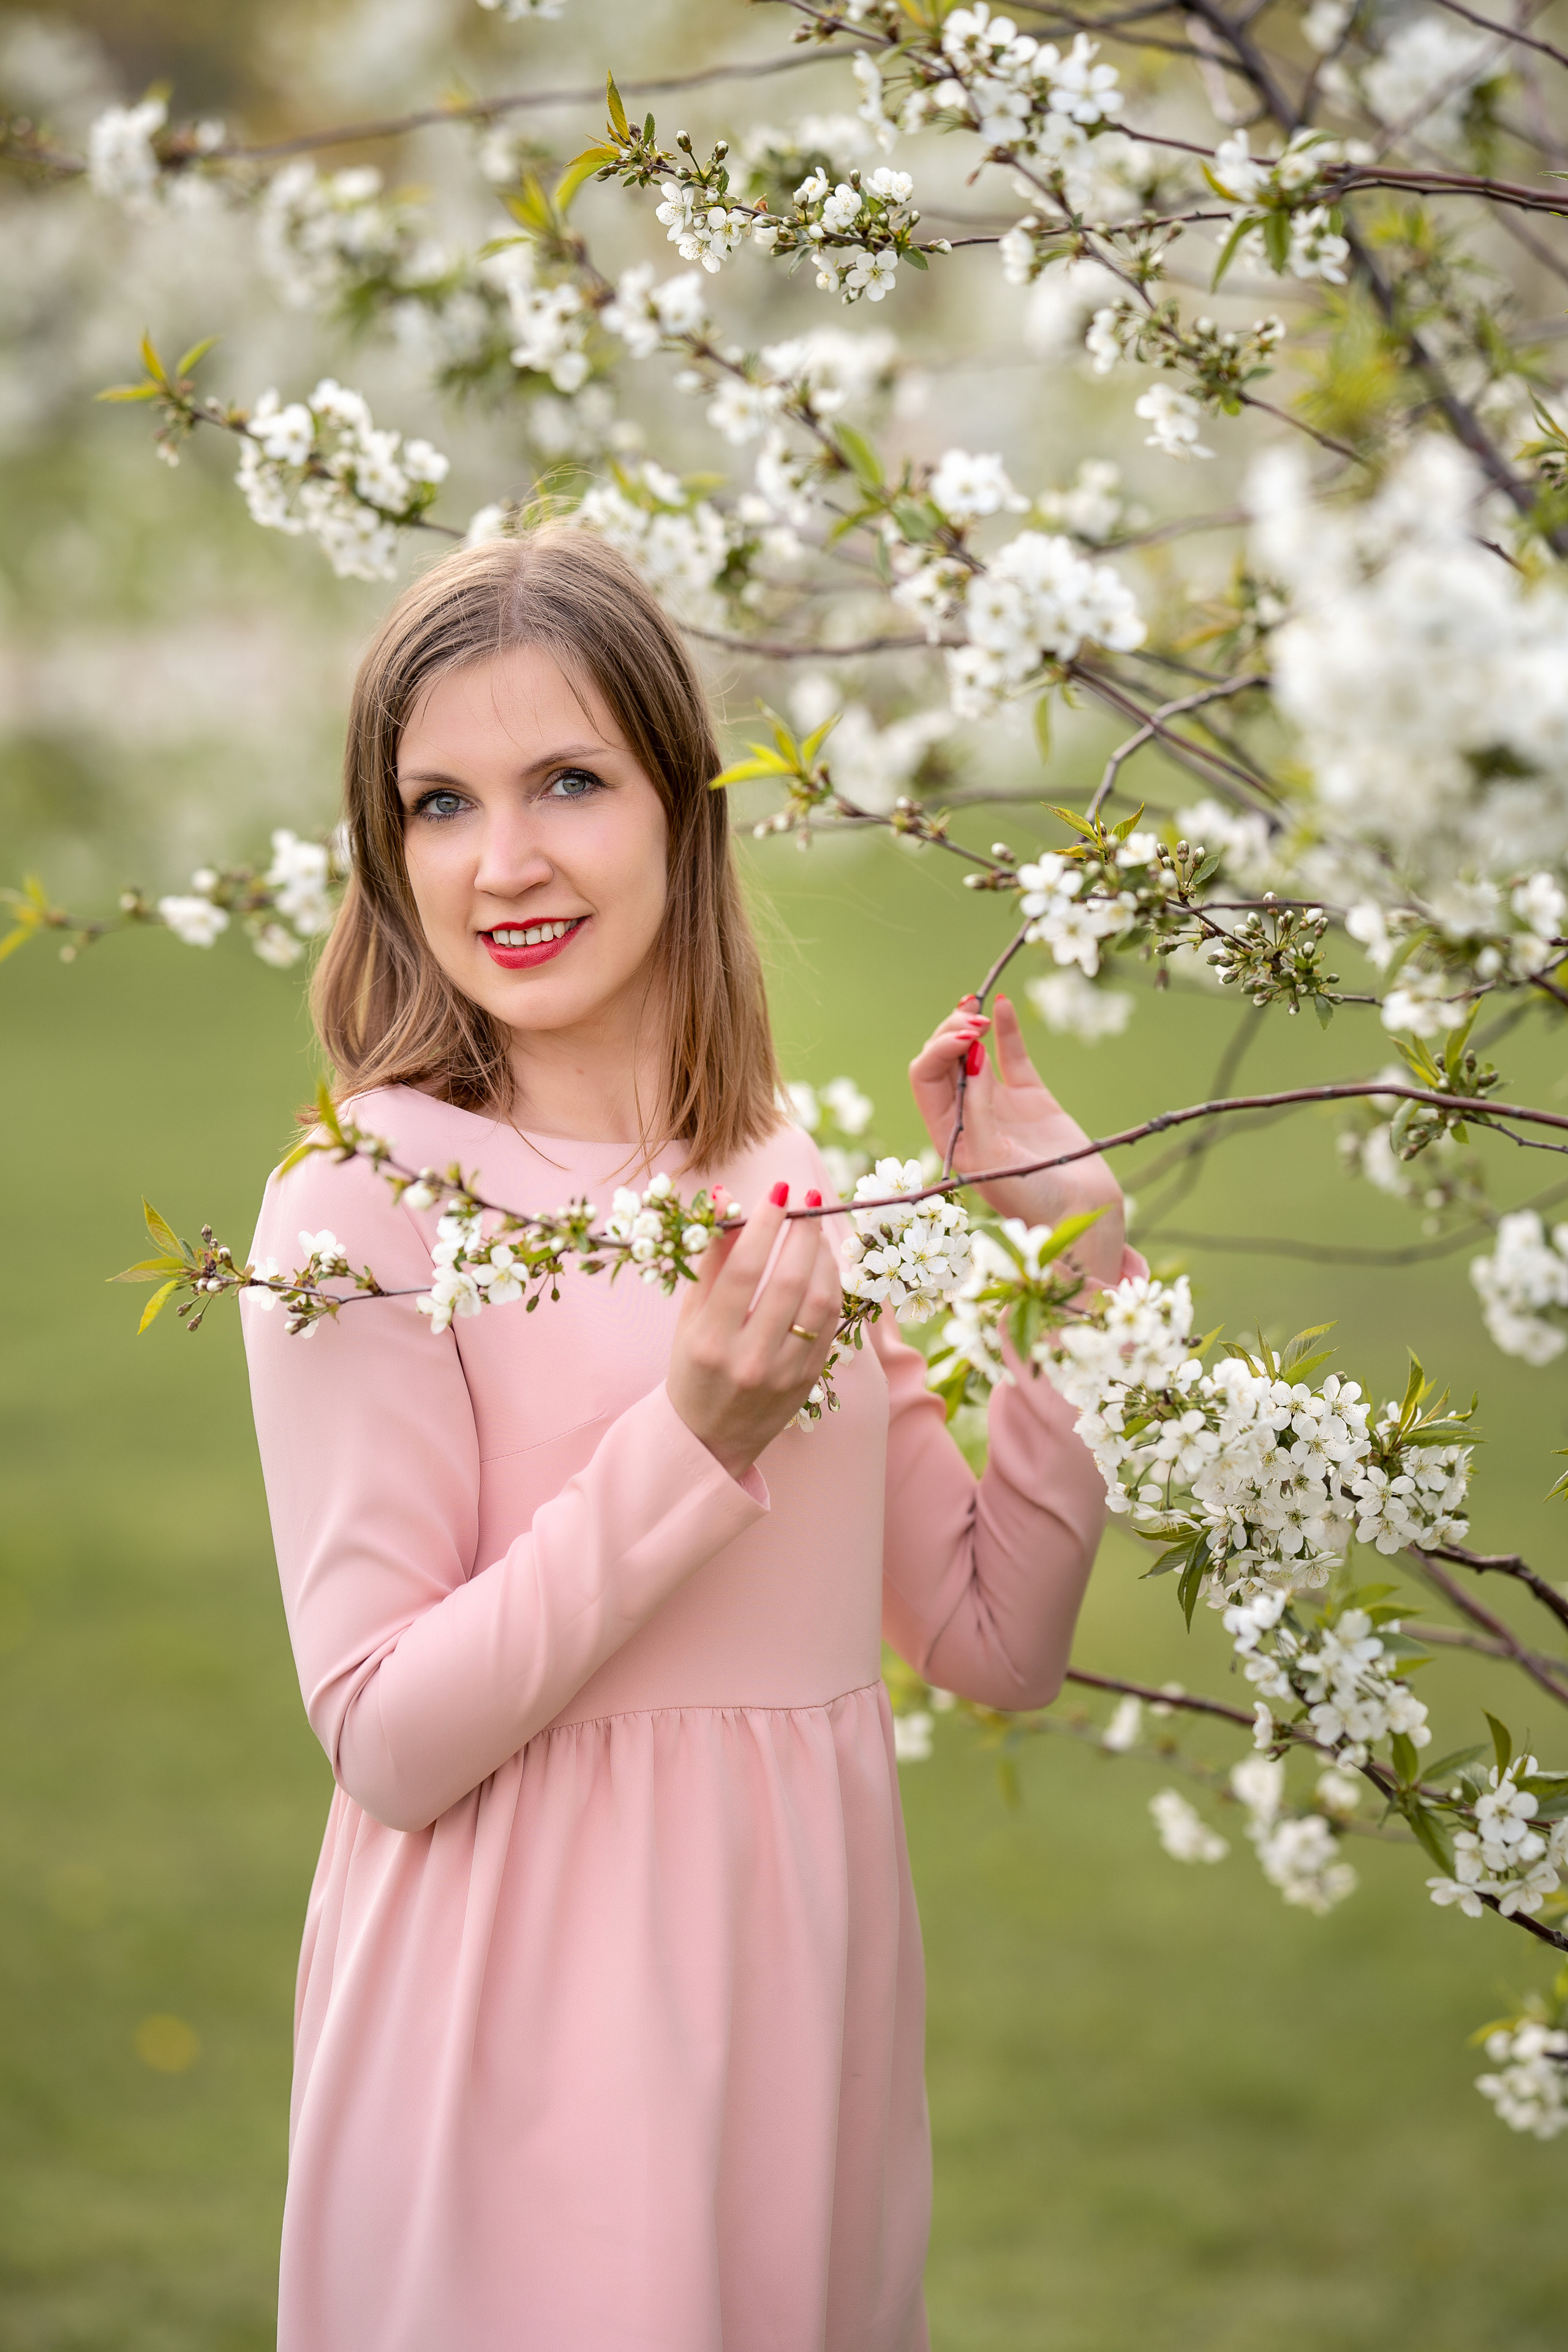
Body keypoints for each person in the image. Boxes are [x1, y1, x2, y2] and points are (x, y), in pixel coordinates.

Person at [241, 527, 1135, 2352]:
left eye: (569, 782)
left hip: (798, 2025)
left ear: (683, 805)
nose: (503, 862)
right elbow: (387, 1738)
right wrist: (688, 1445)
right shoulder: (360, 1205)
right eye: (439, 803)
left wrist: (1075, 1259)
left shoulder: (781, 1176)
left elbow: (997, 1642)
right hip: (515, 2036)